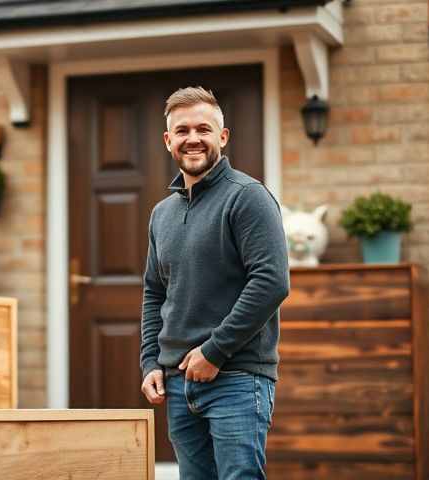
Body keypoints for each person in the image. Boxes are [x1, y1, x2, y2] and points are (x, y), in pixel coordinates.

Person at [139, 86, 290, 480]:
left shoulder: (248, 197)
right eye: (182, 130)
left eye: (203, 129)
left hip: (237, 378)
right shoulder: (162, 214)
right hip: (177, 383)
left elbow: (271, 282)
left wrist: (215, 351)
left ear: (223, 137)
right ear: (168, 140)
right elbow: (155, 292)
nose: (193, 139)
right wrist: (150, 361)